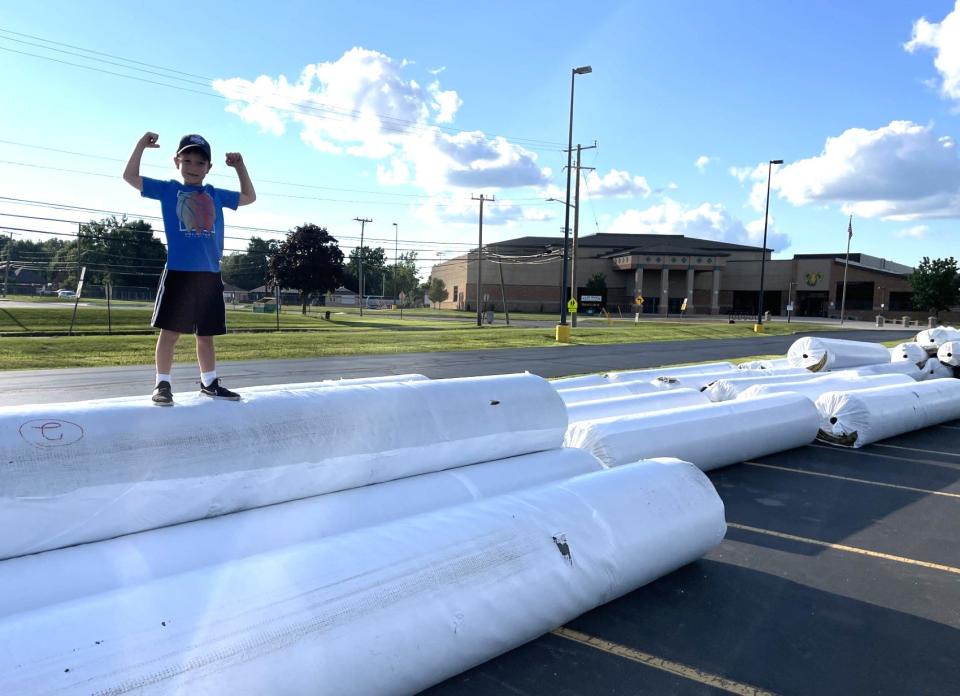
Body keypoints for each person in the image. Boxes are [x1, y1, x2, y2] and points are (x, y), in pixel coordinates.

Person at [123, 132, 256, 405]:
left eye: (199, 163)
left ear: (209, 167)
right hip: (179, 273)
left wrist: (240, 166)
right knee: (170, 333)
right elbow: (130, 177)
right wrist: (140, 147)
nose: (193, 167)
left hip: (209, 274)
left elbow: (249, 196)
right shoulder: (169, 190)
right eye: (187, 161)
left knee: (206, 335)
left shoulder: (215, 194)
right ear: (177, 162)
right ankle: (162, 384)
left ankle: (209, 382)